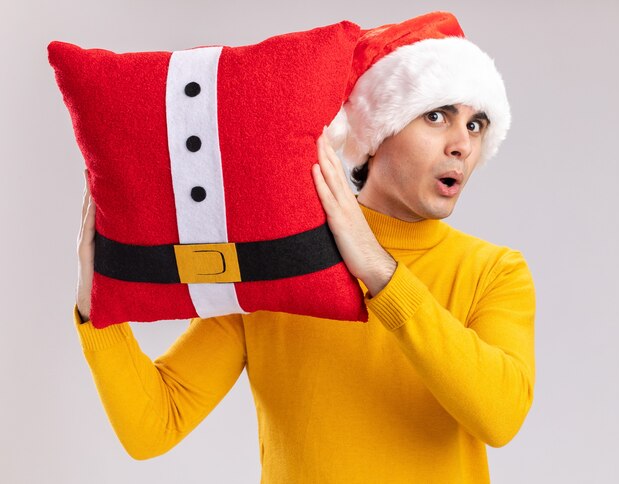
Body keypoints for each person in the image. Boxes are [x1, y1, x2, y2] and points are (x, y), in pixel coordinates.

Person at [74, 12, 535, 483]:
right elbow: (155, 424)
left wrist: (380, 272)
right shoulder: (278, 263)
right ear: (377, 132)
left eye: (476, 125)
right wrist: (96, 314)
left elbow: (499, 416)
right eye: (436, 116)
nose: (462, 144)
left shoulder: (494, 271)